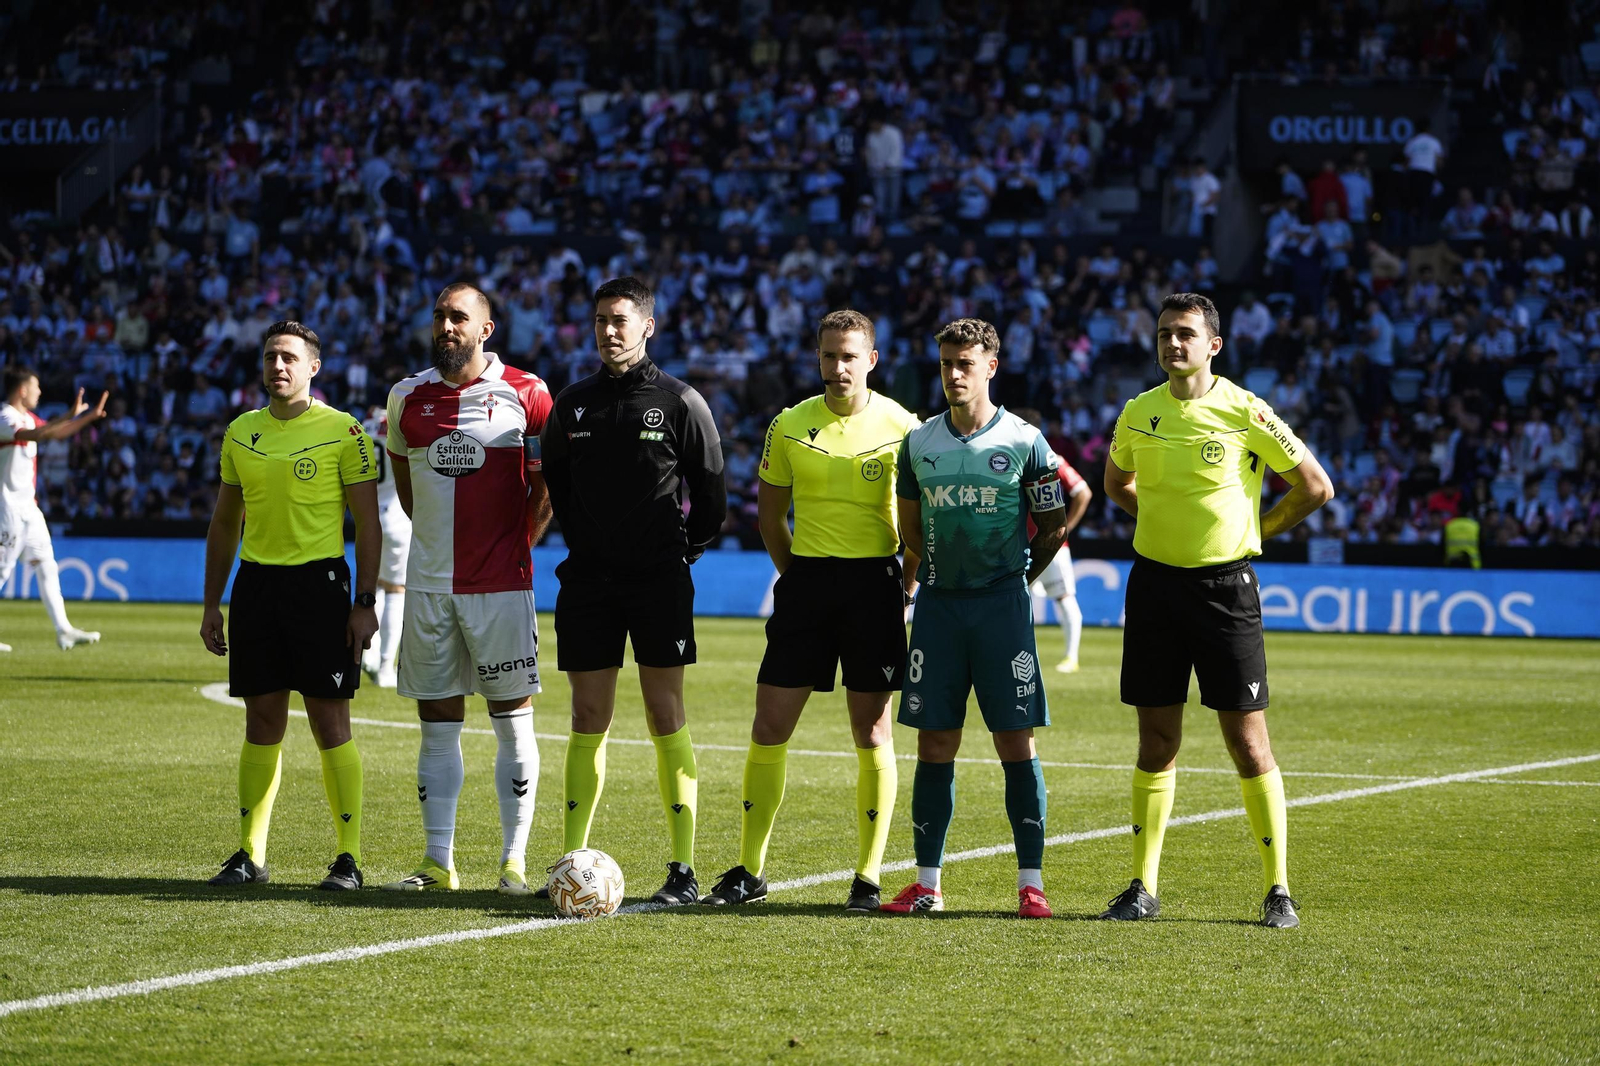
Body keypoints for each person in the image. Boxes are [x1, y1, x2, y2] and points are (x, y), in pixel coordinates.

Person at [1099, 292, 1334, 929]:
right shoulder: (1138, 413)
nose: (1173, 344)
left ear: (1213, 346)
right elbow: (1114, 482)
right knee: (1157, 741)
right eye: (1164, 334)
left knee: (1248, 742)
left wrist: (1261, 528)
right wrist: (1151, 517)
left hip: (1225, 591)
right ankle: (1142, 886)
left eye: (1185, 334)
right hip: (1153, 589)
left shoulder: (1246, 410)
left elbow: (1316, 486)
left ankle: (1278, 889)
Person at [699, 309, 918, 913]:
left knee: (871, 730)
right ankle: (750, 870)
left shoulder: (904, 426)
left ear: (871, 359)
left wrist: (904, 586)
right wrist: (798, 578)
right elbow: (771, 517)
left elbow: (918, 523)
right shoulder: (789, 424)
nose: (838, 366)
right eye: (828, 355)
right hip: (807, 583)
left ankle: (868, 878)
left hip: (877, 585)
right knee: (769, 725)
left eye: (850, 355)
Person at [537, 276, 726, 906]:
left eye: (621, 320)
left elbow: (712, 497)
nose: (609, 331)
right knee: (587, 717)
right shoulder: (572, 404)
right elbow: (559, 488)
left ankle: (682, 870)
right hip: (588, 581)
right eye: (600, 321)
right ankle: (568, 862)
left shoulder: (680, 401)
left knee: (663, 714)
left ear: (648, 326)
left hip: (657, 581)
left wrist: (679, 553)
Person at [881, 318, 1069, 919]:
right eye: (946, 365)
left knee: (1015, 741)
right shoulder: (919, 443)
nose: (954, 375)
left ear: (992, 366)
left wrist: (1014, 581)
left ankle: (1031, 884)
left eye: (966, 364)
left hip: (1002, 610)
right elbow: (910, 529)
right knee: (935, 741)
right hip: (938, 607)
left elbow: (1054, 525)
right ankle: (928, 885)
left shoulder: (1024, 440)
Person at [381, 283, 552, 895]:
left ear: (487, 328)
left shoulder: (527, 394)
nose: (447, 327)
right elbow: (407, 486)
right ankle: (437, 861)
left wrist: (515, 551)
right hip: (429, 588)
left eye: (460, 317)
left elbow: (545, 486)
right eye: (440, 318)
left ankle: (513, 862)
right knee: (437, 722)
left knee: (512, 720)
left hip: (502, 587)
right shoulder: (406, 397)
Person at [199, 322, 380, 890]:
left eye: (290, 358)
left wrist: (364, 601)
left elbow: (369, 525)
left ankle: (347, 858)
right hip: (256, 589)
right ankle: (250, 853)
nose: (279, 366)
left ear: (313, 368)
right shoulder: (240, 432)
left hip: (321, 589)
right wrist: (211, 603)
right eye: (272, 356)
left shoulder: (344, 432)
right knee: (262, 723)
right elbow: (225, 523)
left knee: (331, 723)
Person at [0, 369, 108, 653]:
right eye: (36, 386)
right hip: (6, 508)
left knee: (47, 564)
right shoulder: (5, 417)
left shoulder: (27, 417)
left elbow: (55, 432)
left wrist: (87, 418)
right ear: (22, 390)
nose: (40, 391)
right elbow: (39, 434)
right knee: (2, 569)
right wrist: (70, 412)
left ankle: (64, 630)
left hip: (29, 508)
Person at [1015, 409, 1094, 673]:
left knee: (1064, 597)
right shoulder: (1005, 458)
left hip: (1051, 544)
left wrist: (1064, 529)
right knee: (1011, 599)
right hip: (1014, 543)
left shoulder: (1051, 460)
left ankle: (1071, 657)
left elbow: (1083, 492)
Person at [359, 406, 411, 687]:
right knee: (396, 588)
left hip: (367, 513)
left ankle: (367, 652)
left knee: (373, 585)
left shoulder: (362, 427)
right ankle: (384, 667)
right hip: (397, 513)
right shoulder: (399, 426)